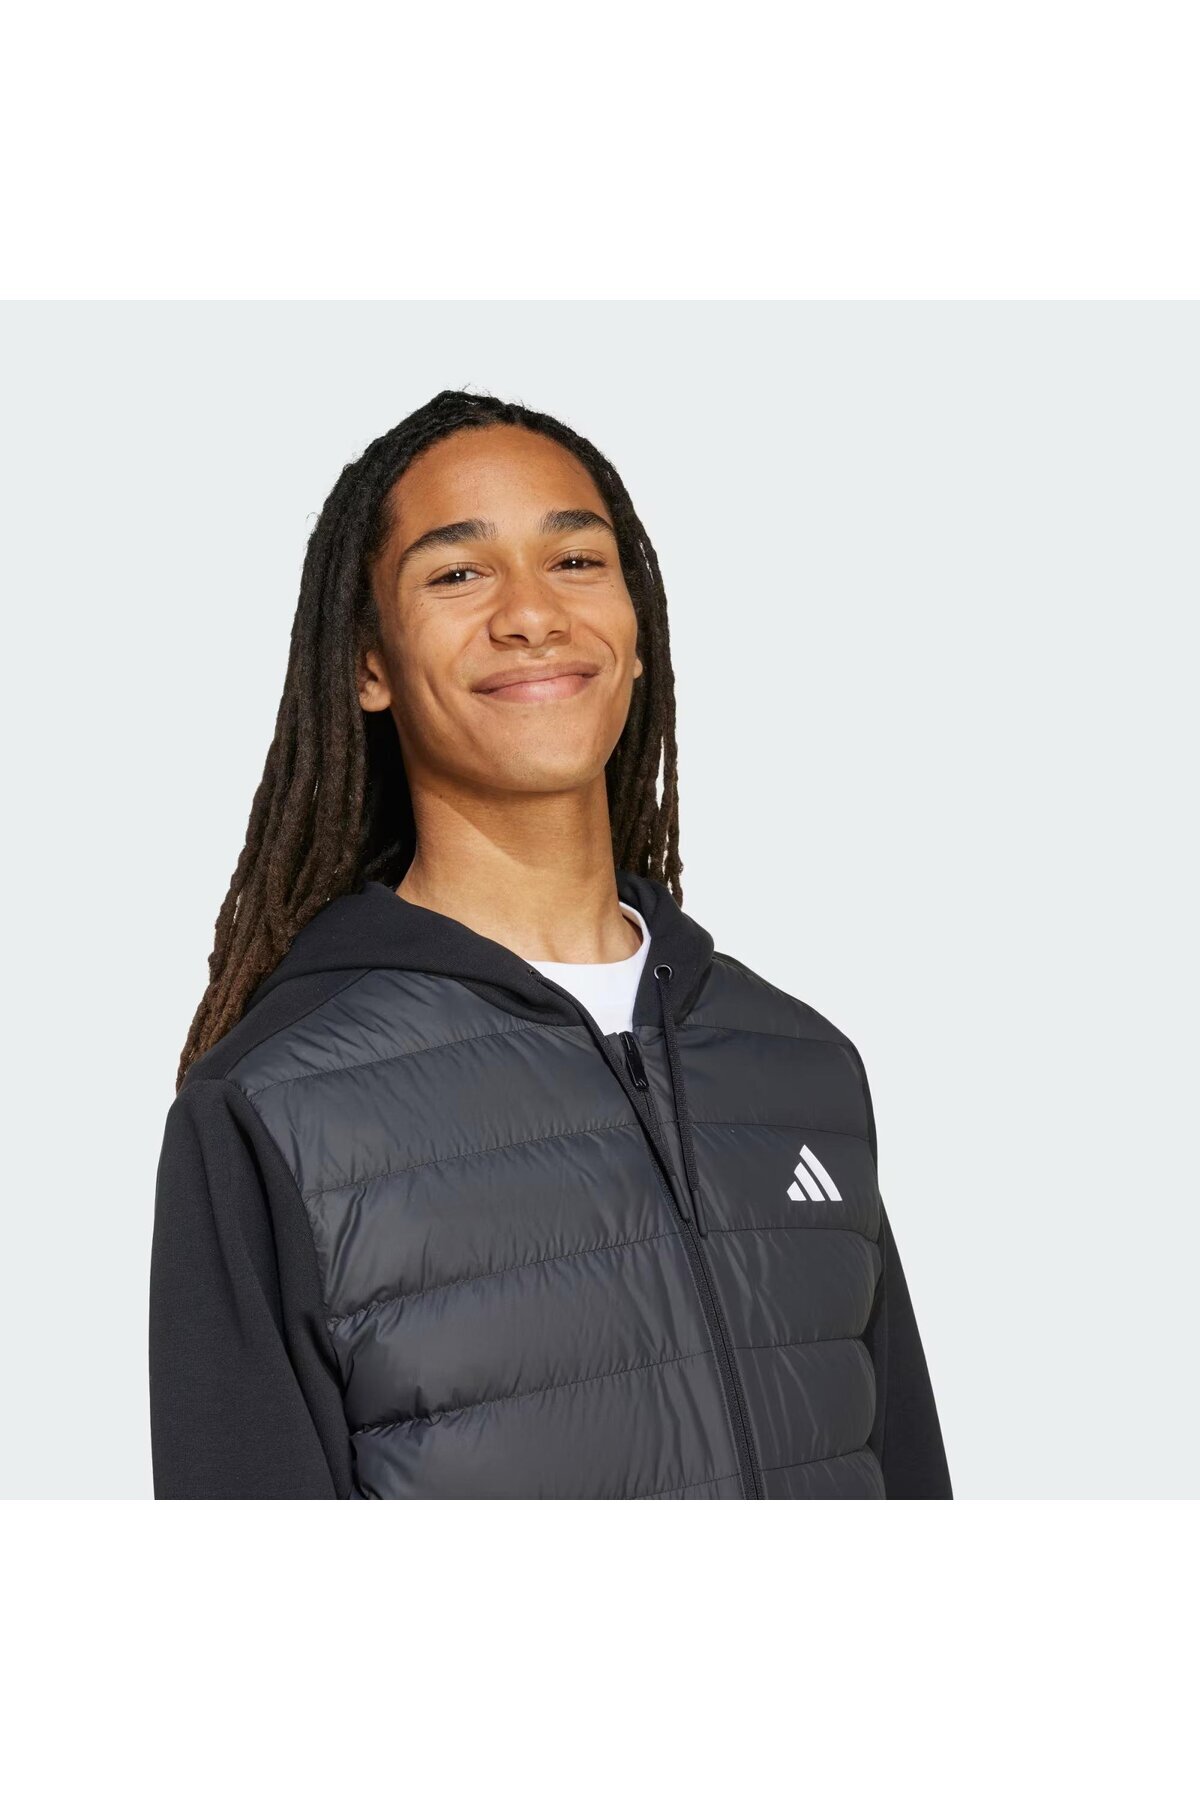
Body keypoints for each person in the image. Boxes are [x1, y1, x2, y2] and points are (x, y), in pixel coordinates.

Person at [149, 387, 952, 1501]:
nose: (531, 613)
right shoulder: (272, 1107)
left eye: (576, 561)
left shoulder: (799, 1066)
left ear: (635, 631)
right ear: (369, 665)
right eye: (457, 573)